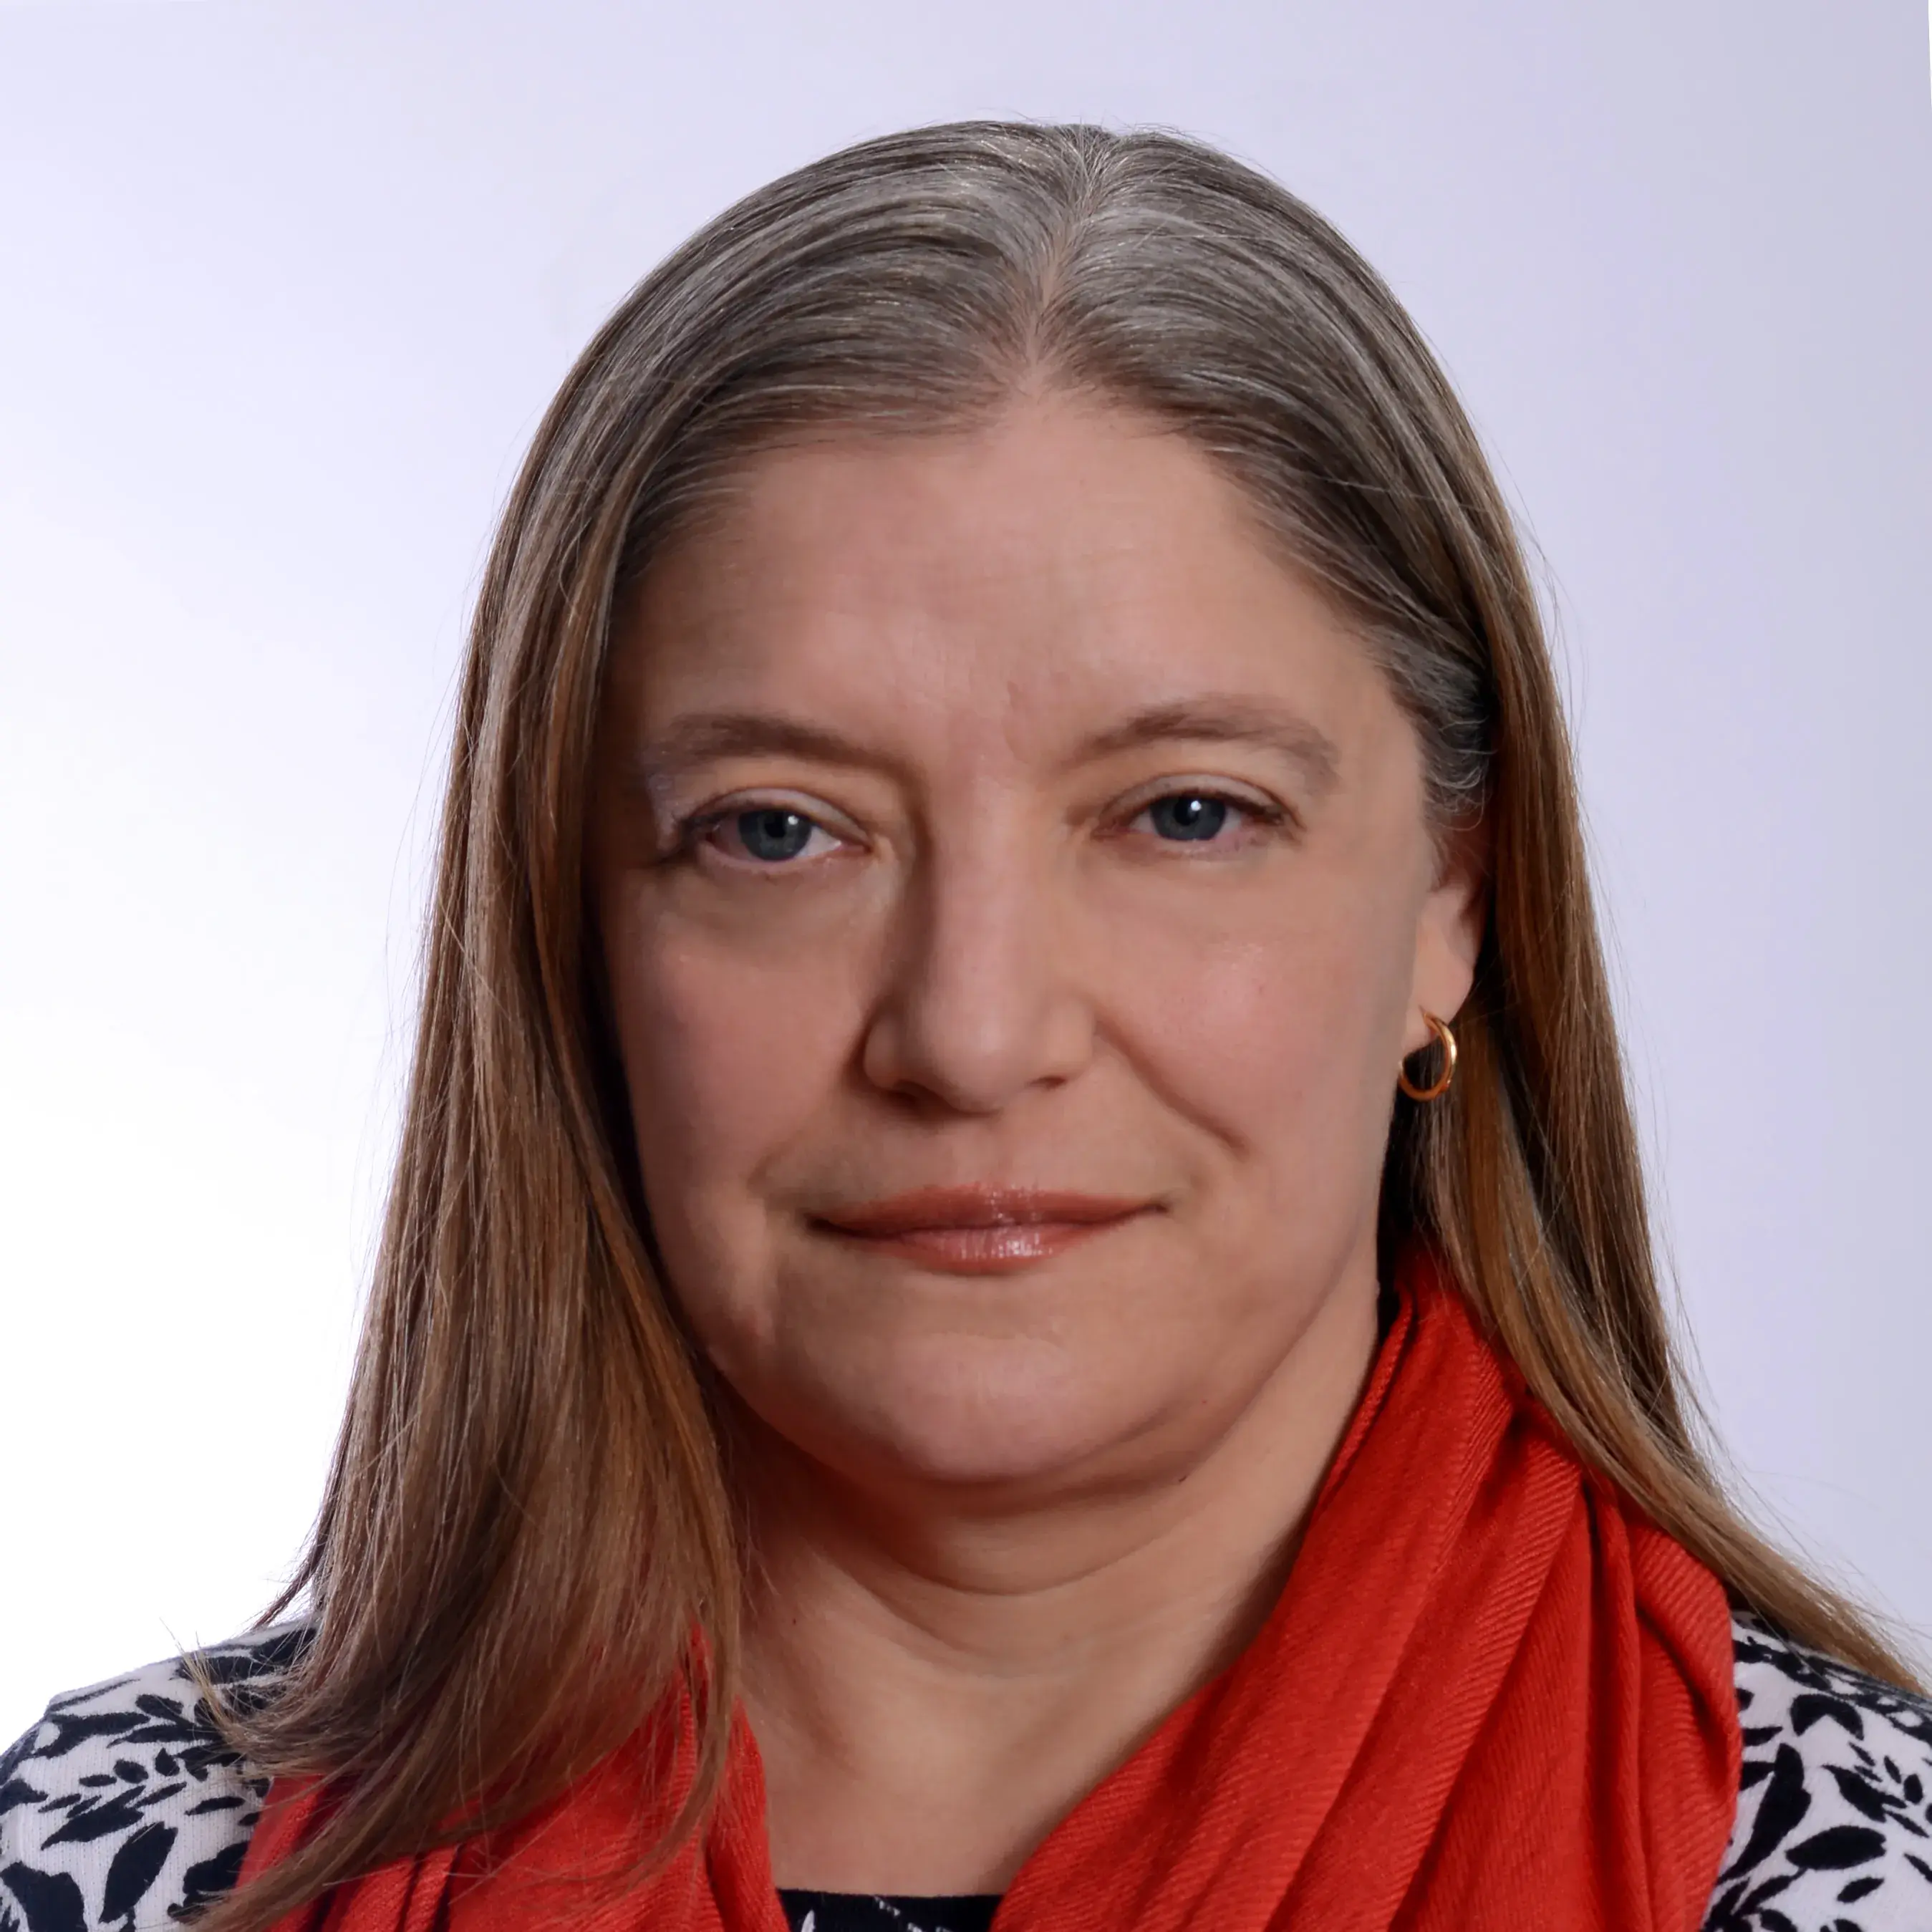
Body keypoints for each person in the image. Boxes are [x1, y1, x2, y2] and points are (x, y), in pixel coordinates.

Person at [4, 120, 1928, 1932]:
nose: (974, 1032)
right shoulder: (109, 1871)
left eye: (1186, 814)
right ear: (575, 928)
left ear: (1455, 902)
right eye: (779, 832)